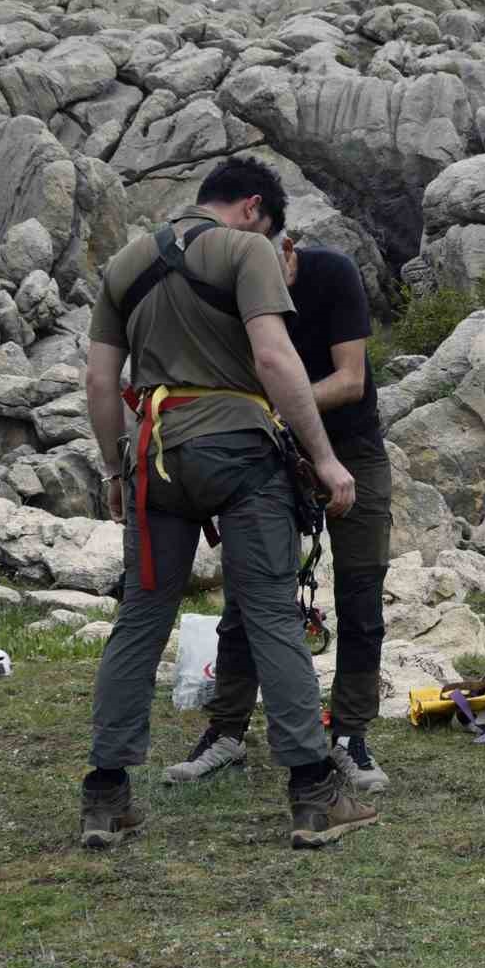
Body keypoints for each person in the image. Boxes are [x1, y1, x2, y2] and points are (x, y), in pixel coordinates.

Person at [80, 155, 375, 850]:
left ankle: (104, 798)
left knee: (142, 617)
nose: (273, 242)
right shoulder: (246, 250)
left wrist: (114, 470)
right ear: (252, 208)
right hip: (239, 454)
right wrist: (326, 460)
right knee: (271, 609)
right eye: (271, 228)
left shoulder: (125, 261)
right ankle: (313, 793)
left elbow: (98, 382)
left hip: (155, 459)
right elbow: (274, 360)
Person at [169, 228, 394, 796]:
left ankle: (350, 736)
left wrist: (272, 404)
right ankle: (226, 731)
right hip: (268, 453)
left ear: (288, 248)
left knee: (361, 593)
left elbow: (350, 379)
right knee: (250, 594)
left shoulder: (333, 275)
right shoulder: (232, 290)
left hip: (351, 450)